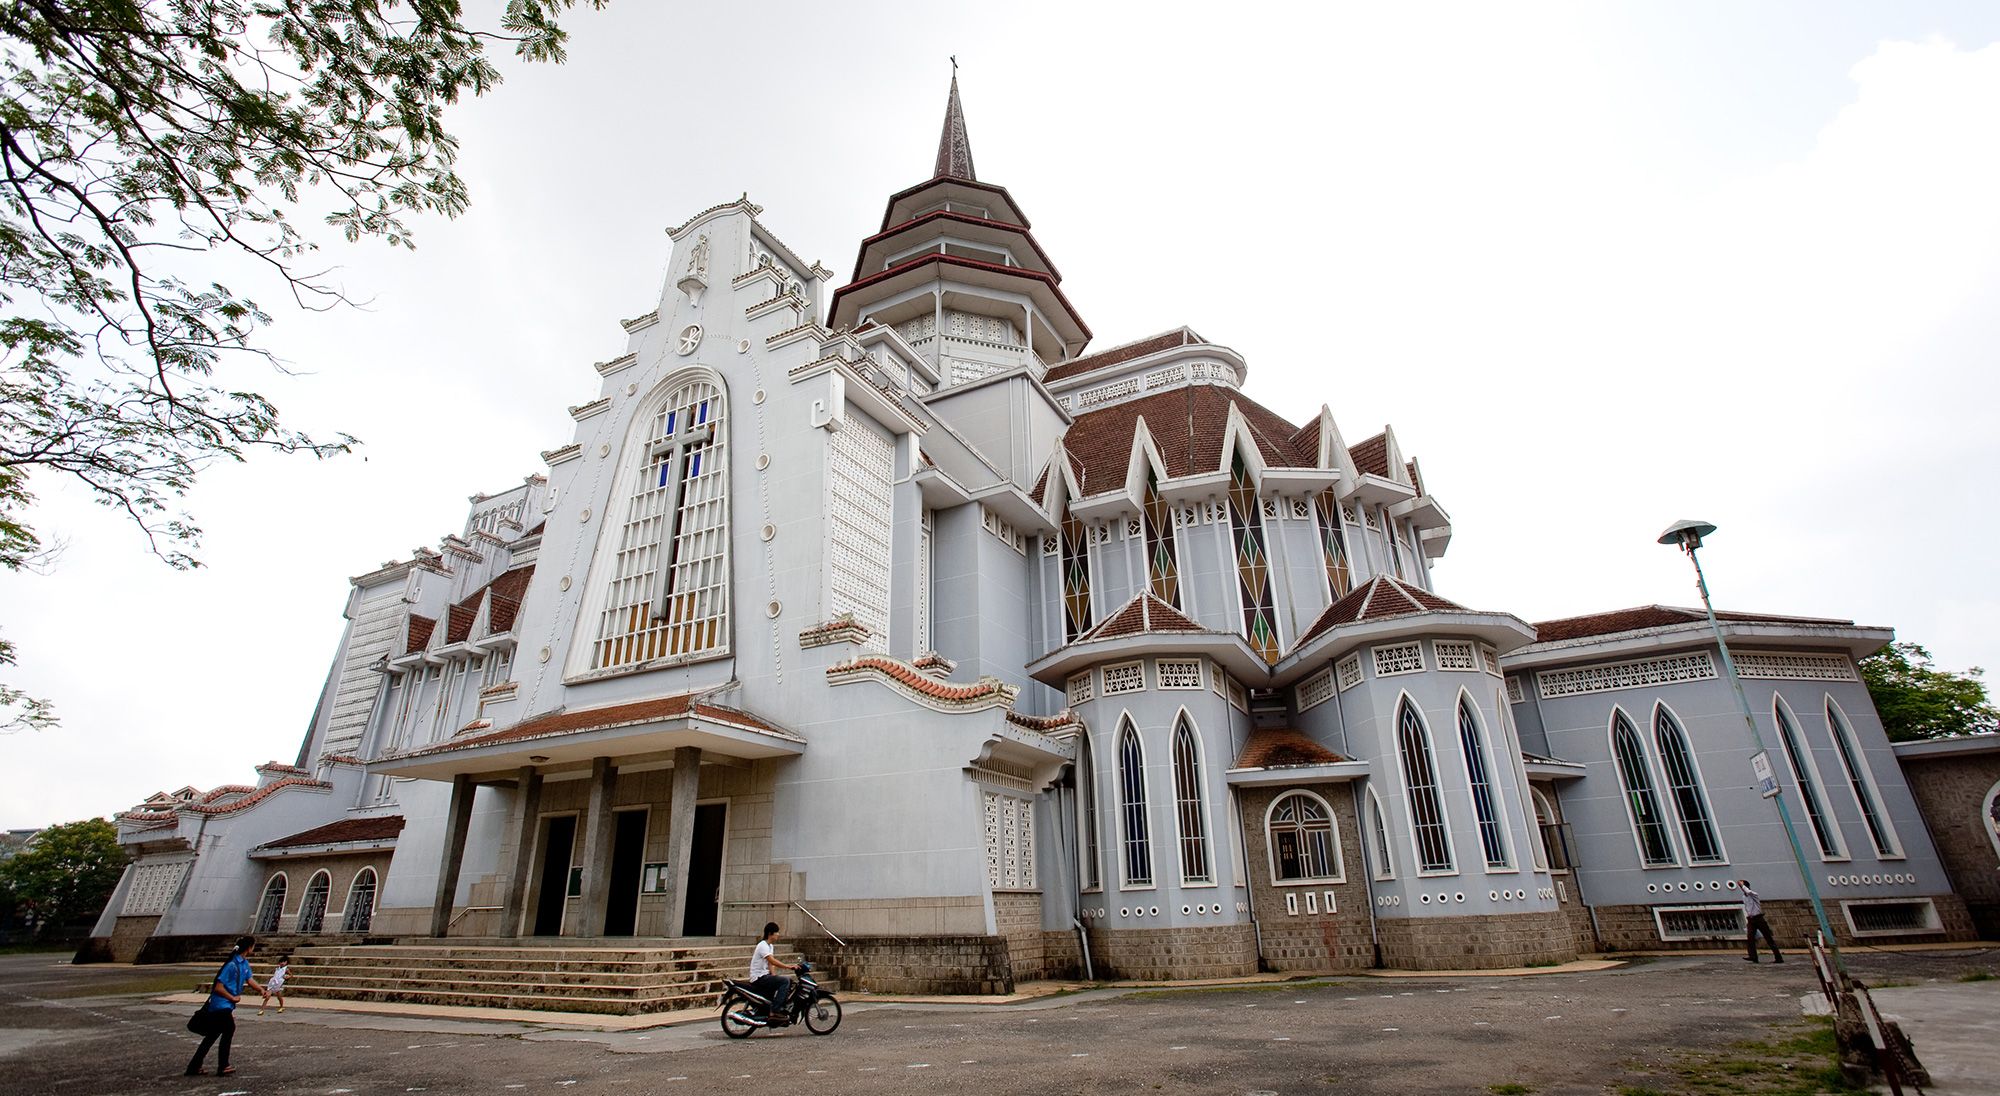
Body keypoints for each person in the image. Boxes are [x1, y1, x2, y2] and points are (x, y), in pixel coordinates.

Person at [188, 935, 264, 1076]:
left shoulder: (243, 963)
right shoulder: (231, 965)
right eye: (253, 946)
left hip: (227, 1005)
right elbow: (218, 987)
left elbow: (249, 979)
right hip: (220, 1004)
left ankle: (194, 1066)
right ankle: (223, 1065)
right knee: (229, 1029)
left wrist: (261, 990)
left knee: (212, 1035)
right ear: (249, 947)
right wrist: (232, 998)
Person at [746, 921, 796, 1021]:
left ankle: (774, 1007)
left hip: (765, 975)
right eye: (776, 932)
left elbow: (770, 964)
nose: (778, 934)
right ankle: (775, 1011)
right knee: (785, 981)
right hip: (759, 977)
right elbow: (772, 960)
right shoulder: (762, 945)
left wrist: (774, 975)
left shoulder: (770, 946)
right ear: (770, 934)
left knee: (788, 982)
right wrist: (788, 966)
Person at [1740, 879, 1783, 963]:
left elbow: (1748, 892)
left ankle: (1778, 957)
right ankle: (1753, 956)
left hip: (1759, 918)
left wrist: (1742, 885)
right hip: (1751, 919)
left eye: (1743, 886)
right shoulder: (1744, 897)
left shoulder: (1754, 894)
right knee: (1750, 938)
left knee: (1768, 938)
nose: (1742, 888)